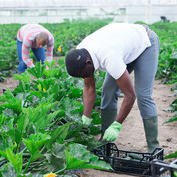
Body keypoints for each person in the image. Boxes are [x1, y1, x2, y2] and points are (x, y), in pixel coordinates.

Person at [65, 23, 160, 152]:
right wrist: (85, 116)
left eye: (84, 75)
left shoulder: (110, 58)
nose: (84, 78)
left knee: (143, 95)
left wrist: (117, 125)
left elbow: (130, 96)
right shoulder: (81, 53)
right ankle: (106, 141)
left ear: (88, 63)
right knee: (108, 90)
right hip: (123, 46)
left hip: (145, 43)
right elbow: (89, 88)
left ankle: (153, 147)